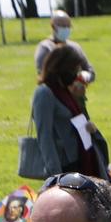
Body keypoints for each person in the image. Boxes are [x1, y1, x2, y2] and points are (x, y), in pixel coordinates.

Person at [29, 44, 105, 182]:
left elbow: (78, 118)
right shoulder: (44, 93)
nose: (76, 74)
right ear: (62, 68)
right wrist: (56, 176)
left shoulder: (65, 90)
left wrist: (80, 97)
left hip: (81, 157)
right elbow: (44, 136)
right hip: (64, 164)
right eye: (74, 70)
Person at [34, 11, 92, 84]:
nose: (66, 29)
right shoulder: (45, 47)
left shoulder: (75, 47)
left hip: (75, 92)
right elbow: (42, 73)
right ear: (53, 27)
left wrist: (85, 76)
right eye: (63, 26)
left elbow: (90, 71)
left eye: (68, 26)